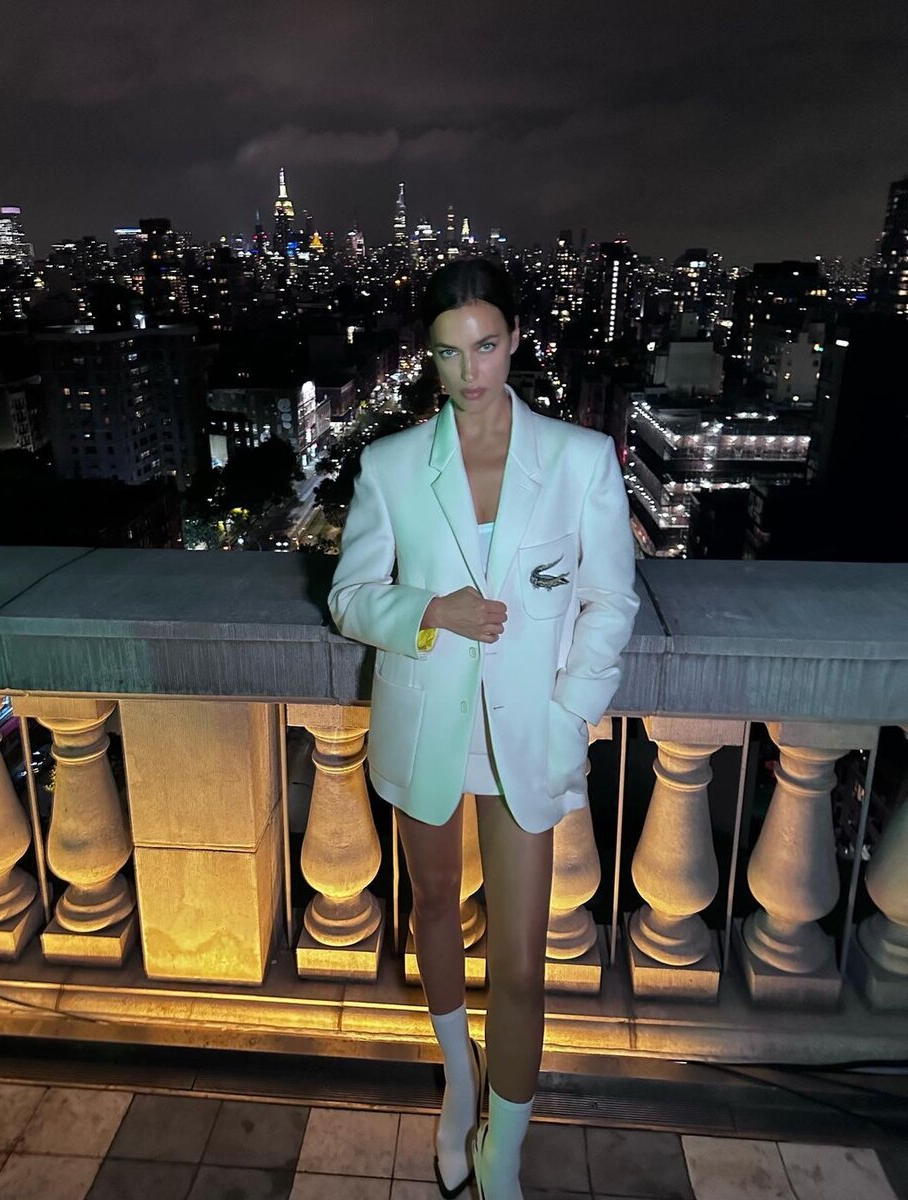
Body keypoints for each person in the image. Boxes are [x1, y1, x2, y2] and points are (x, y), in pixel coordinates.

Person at [328, 258, 640, 1199]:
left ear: (515, 341)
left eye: (487, 345)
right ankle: (458, 1083)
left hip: (528, 735)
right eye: (449, 352)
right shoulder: (392, 465)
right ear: (429, 357)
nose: (471, 371)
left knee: (521, 960)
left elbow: (611, 602)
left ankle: (503, 1149)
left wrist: (570, 713)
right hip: (427, 720)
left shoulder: (580, 459)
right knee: (431, 909)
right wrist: (432, 610)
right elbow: (350, 597)